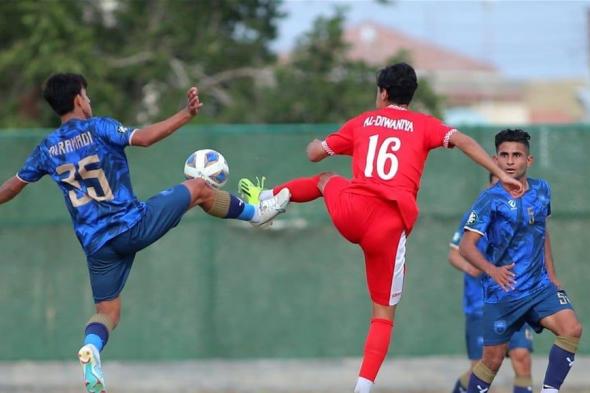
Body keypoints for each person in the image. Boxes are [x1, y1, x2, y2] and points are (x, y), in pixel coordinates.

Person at [237, 63, 523, 393]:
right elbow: (465, 141)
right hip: (389, 228)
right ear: (410, 96)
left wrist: (320, 142)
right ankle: (362, 388)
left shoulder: (362, 123)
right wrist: (501, 174)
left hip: (352, 212)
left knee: (325, 179)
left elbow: (314, 154)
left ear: (383, 93)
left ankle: (266, 203)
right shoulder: (424, 125)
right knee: (383, 316)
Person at [0, 73, 290, 393]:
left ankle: (92, 350)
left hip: (97, 246)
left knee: (107, 312)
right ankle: (258, 214)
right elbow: (146, 137)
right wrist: (185, 114)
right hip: (131, 226)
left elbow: (12, 187)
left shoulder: (46, 149)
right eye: (88, 95)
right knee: (199, 188)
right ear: (79, 100)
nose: (90, 101)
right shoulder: (99, 127)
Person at [459, 129, 582, 393]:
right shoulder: (489, 199)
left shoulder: (542, 190)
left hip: (539, 288)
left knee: (571, 328)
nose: (510, 161)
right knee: (490, 362)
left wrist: (553, 275)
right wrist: (492, 271)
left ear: (529, 160)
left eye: (517, 155)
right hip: (504, 293)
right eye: (504, 155)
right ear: (495, 159)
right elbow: (465, 247)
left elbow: (541, 232)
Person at [449, 173, 534, 393]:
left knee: (522, 357)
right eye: (498, 181)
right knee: (480, 368)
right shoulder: (476, 215)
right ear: (489, 185)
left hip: (514, 302)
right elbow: (454, 254)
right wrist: (472, 268)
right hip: (481, 304)